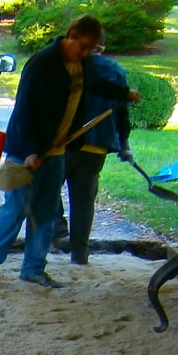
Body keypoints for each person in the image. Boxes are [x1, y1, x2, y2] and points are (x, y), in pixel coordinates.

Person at [0, 15, 139, 289]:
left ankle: (33, 268)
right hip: (24, 151)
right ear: (71, 34)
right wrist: (29, 150)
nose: (87, 53)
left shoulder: (83, 64)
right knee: (15, 208)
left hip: (57, 150)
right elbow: (25, 109)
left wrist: (124, 93)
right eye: (85, 46)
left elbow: (97, 85)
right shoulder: (42, 64)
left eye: (93, 49)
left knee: (45, 211)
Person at [62, 53, 133, 267]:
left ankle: (55, 233)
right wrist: (124, 143)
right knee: (84, 200)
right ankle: (79, 253)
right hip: (97, 144)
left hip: (64, 143)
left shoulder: (71, 66)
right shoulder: (116, 71)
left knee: (46, 191)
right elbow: (123, 113)